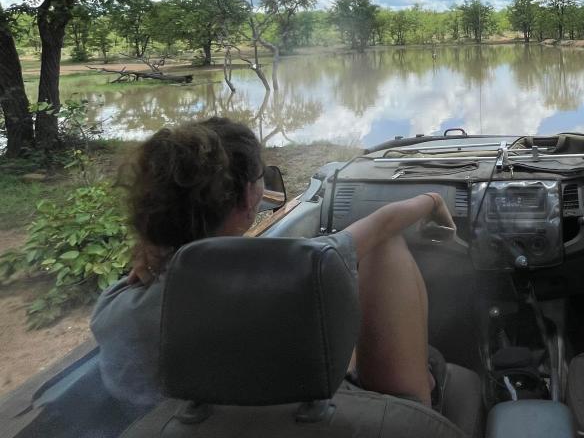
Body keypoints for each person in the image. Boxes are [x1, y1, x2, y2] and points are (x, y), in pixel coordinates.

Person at [90, 117, 455, 409]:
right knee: (387, 250)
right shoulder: (297, 275)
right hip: (300, 418)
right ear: (249, 199)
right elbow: (383, 225)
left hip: (194, 422)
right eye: (259, 177)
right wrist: (433, 200)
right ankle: (421, 403)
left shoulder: (113, 308)